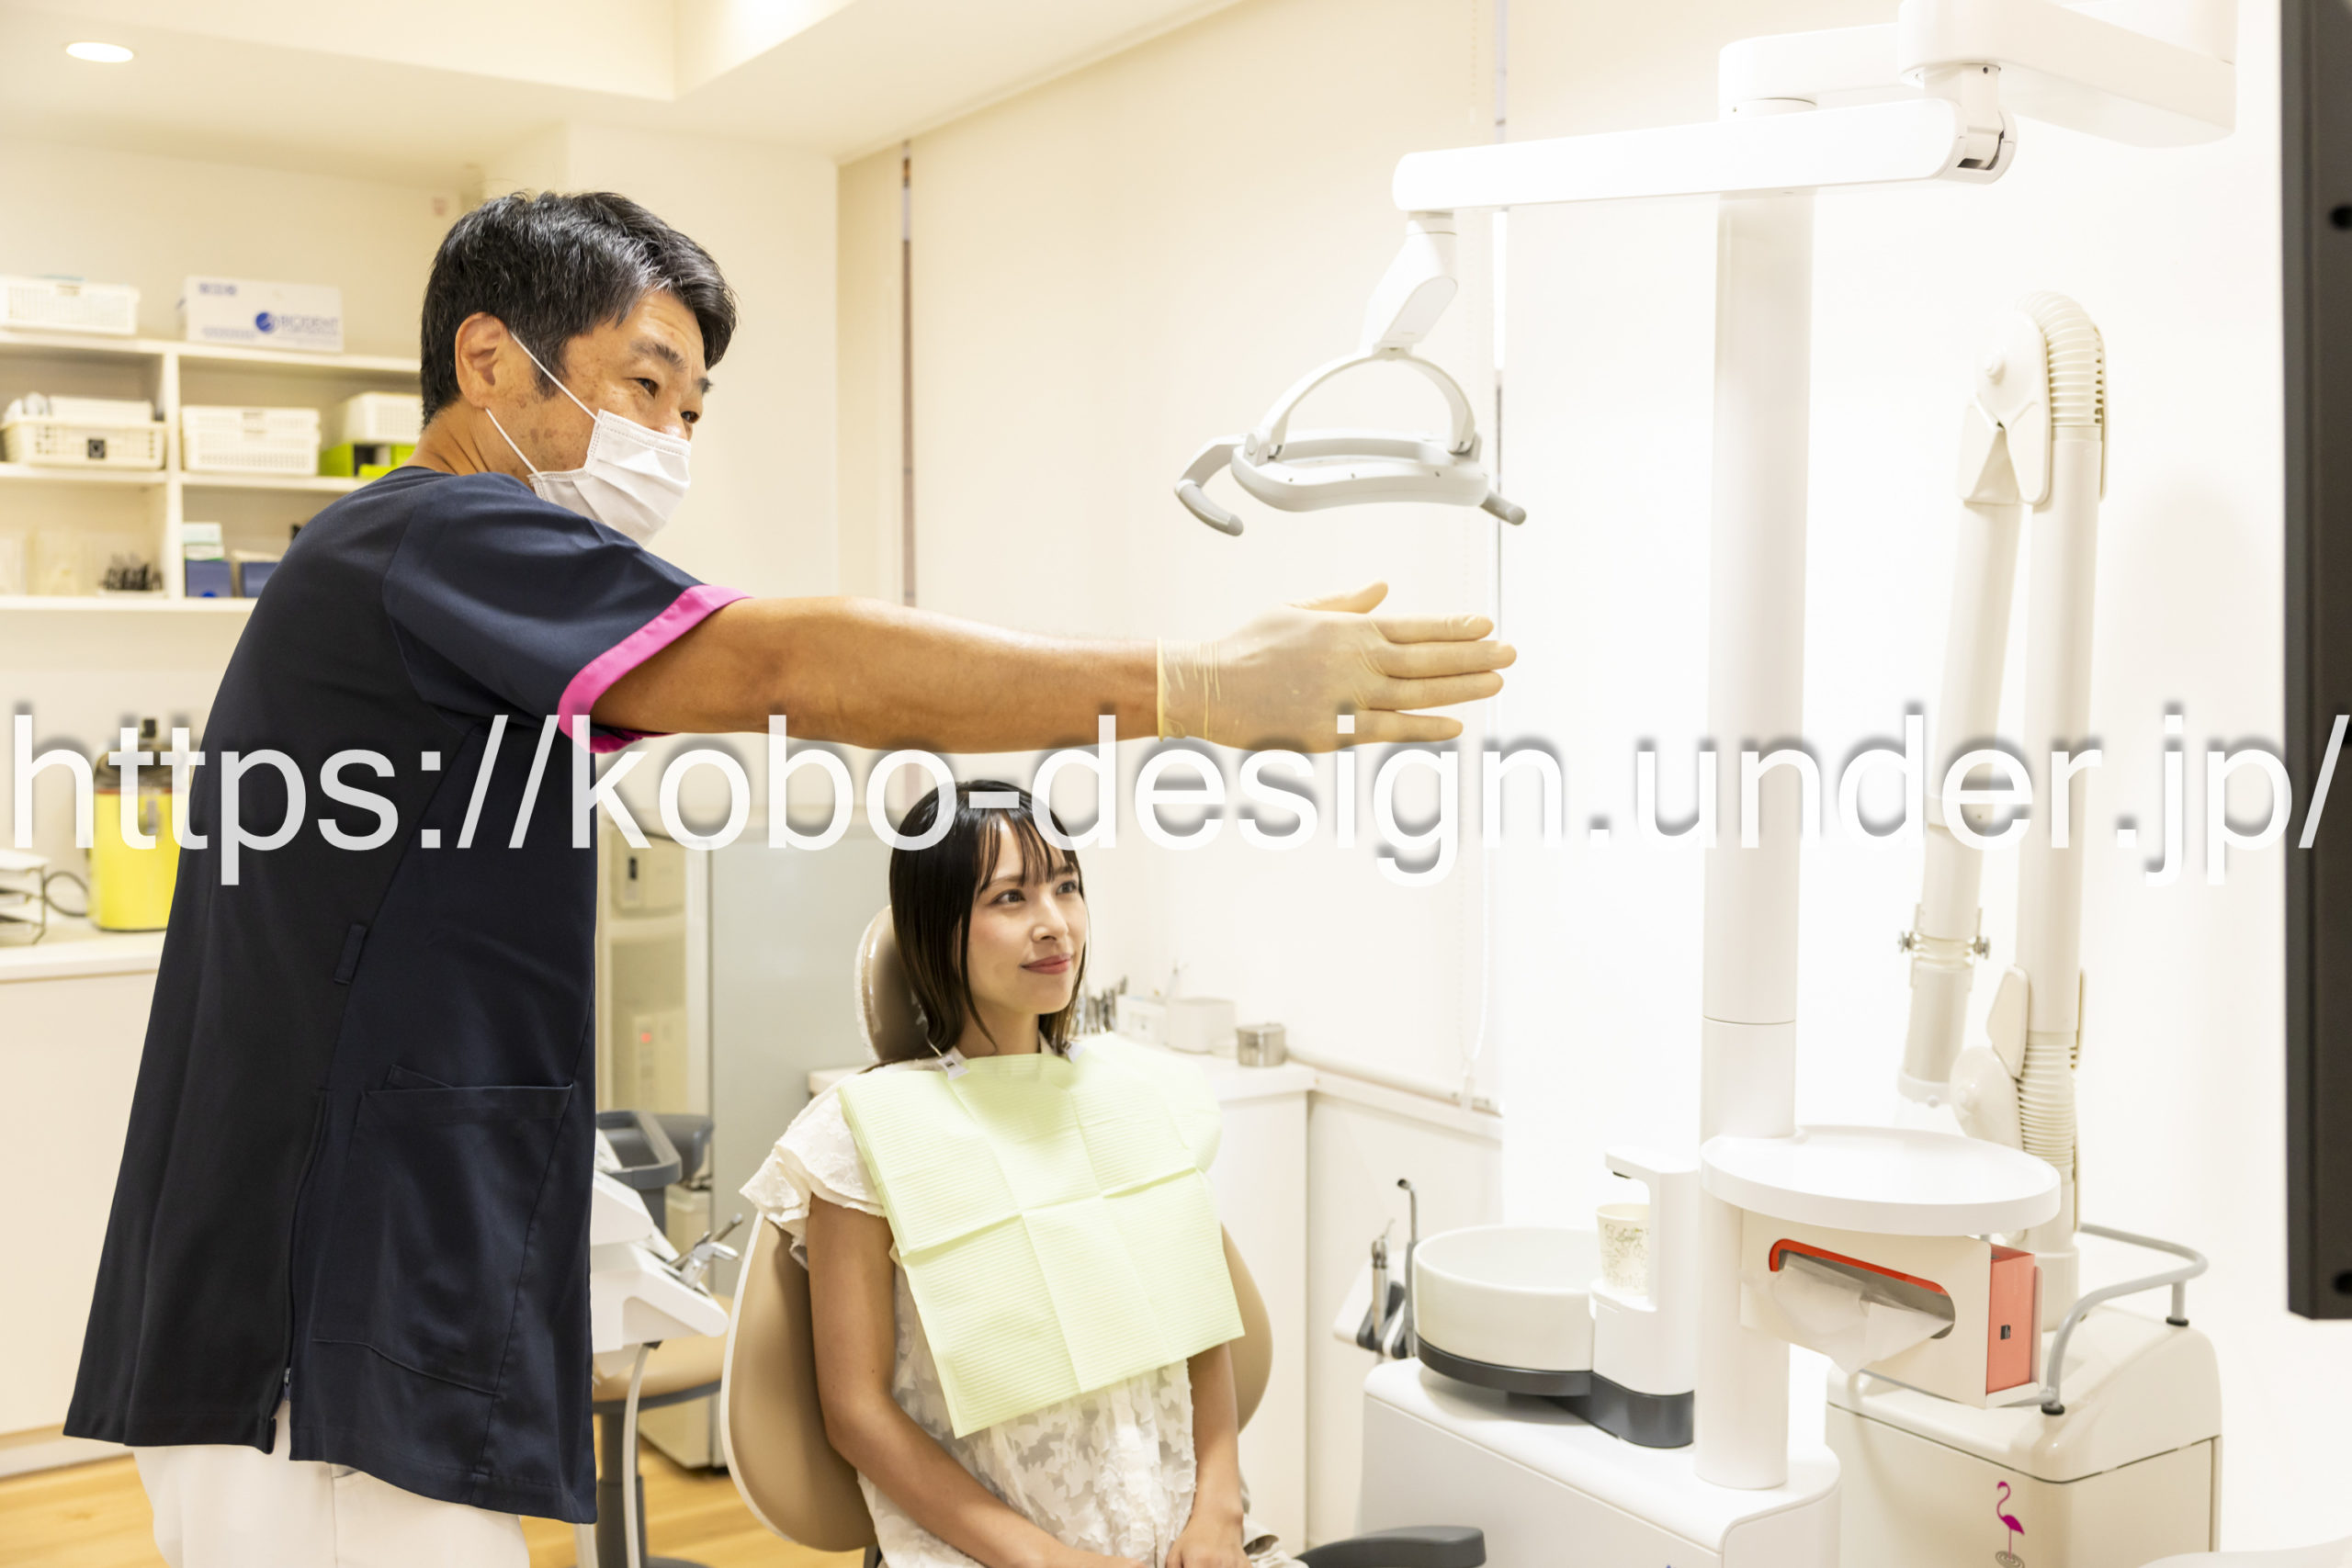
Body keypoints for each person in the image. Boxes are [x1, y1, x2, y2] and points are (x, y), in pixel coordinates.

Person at [64, 190, 1511, 1566]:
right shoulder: (428, 534)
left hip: (355, 1278)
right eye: (643, 385)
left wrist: (556, 1196)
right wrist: (1189, 683)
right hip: (317, 1315)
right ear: (489, 358)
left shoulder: (423, 591)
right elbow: (793, 667)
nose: (669, 439)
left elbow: (406, 960)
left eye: (692, 411)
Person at [744, 781, 1274, 1568]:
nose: (1054, 922)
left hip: (1181, 1539)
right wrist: (1049, 1561)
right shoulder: (866, 1132)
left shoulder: (1133, 1094)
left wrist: (1220, 1512)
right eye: (1010, 896)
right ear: (939, 927)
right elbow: (855, 1410)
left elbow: (1196, 1323)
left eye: (1067, 886)